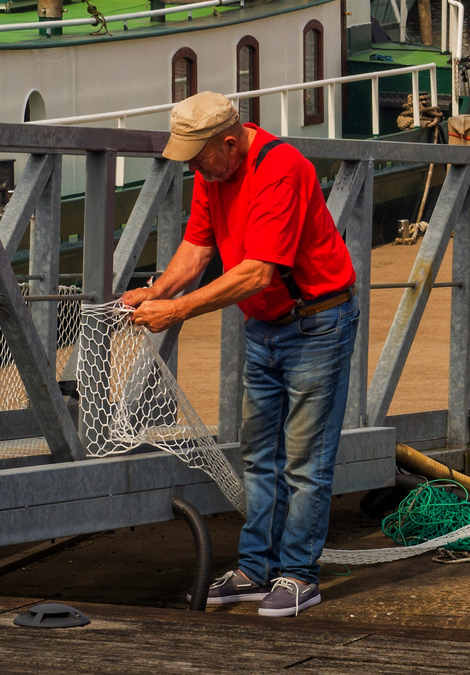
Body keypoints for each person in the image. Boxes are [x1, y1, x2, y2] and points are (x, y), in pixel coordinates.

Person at [124, 92, 358, 617]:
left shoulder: (282, 169)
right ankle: (255, 570)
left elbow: (258, 272)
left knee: (305, 460)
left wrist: (177, 310)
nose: (192, 169)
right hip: (264, 326)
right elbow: (198, 249)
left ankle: (299, 575)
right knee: (258, 456)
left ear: (228, 144)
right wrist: (158, 290)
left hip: (317, 322)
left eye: (197, 157)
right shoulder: (214, 174)